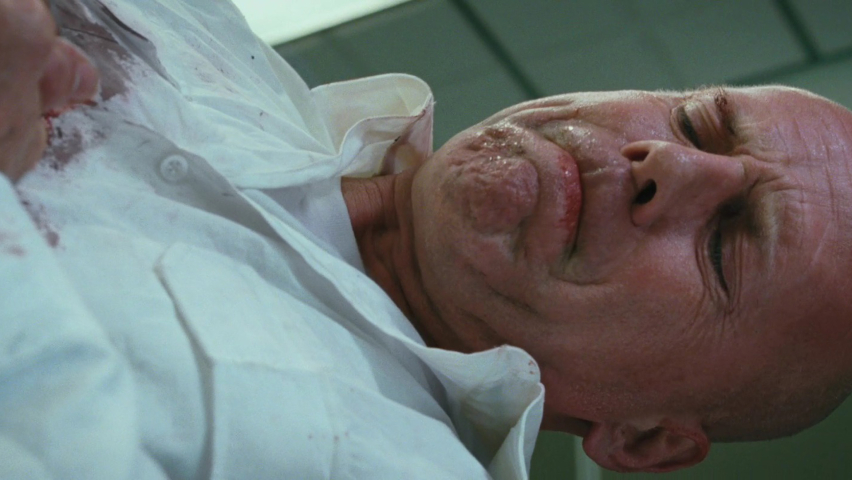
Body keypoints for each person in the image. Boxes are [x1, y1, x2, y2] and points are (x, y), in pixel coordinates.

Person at [3, 0, 852, 477]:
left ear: (645, 438)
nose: (667, 162)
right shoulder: (204, 30)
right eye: (698, 122)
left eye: (725, 250)